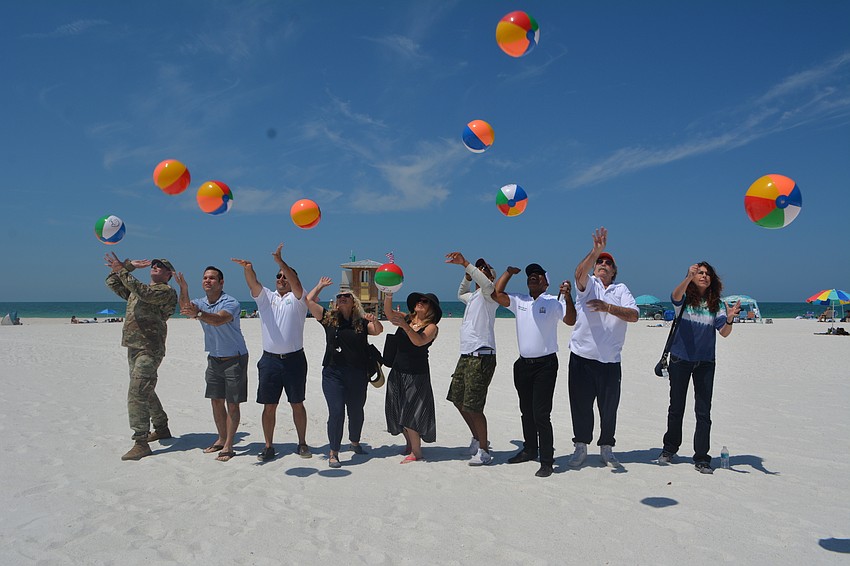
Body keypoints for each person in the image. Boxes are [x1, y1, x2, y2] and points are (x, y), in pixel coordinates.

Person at [658, 262, 741, 474]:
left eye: (707, 274)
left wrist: (730, 318)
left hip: (705, 362)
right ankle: (669, 449)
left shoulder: (717, 304)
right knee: (676, 407)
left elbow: (723, 332)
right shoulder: (684, 299)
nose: (703, 276)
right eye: (700, 273)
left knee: (703, 411)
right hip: (680, 360)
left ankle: (702, 457)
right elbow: (674, 295)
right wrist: (687, 277)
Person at [493, 263, 575, 478]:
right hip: (523, 365)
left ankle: (547, 460)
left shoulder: (553, 302)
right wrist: (509, 273)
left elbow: (570, 320)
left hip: (545, 365)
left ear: (546, 282)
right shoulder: (520, 300)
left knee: (541, 414)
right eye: (530, 275)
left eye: (538, 276)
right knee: (526, 411)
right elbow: (496, 294)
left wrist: (567, 297)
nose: (533, 278)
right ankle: (530, 449)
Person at [232, 244, 311, 462]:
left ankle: (302, 443)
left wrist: (281, 263)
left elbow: (296, 284)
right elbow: (254, 283)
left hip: (295, 359)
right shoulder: (267, 297)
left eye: (285, 276)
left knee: (297, 403)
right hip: (269, 361)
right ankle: (268, 446)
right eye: (278, 276)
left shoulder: (299, 299)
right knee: (269, 406)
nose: (281, 279)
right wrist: (248, 268)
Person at [567, 227, 639, 470]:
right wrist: (595, 250)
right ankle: (580, 446)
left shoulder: (621, 290)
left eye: (608, 263)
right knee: (580, 405)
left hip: (610, 361)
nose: (603, 264)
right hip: (582, 357)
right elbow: (578, 274)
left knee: (609, 409)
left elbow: (634, 315)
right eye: (600, 262)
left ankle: (607, 448)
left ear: (614, 271)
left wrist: (609, 307)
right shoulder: (589, 285)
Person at [104, 253, 178, 461]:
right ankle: (162, 427)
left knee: (137, 392)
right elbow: (112, 283)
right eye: (154, 264)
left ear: (169, 274)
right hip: (134, 346)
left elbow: (142, 291)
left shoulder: (166, 291)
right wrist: (127, 266)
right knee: (146, 389)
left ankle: (141, 442)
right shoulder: (137, 290)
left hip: (150, 349)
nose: (155, 266)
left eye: (161, 265)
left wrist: (123, 270)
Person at [306, 277, 383, 468]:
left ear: (353, 301)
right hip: (333, 374)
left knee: (356, 411)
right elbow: (309, 301)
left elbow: (378, 331)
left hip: (357, 374)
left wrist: (375, 320)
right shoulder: (329, 319)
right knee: (337, 412)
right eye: (340, 296)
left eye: (346, 296)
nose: (342, 298)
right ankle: (333, 452)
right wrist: (320, 286)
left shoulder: (361, 322)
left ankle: (355, 442)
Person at [175, 266, 249, 462]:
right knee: (216, 400)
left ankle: (229, 446)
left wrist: (198, 314)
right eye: (205, 278)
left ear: (221, 282)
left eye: (212, 278)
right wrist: (184, 288)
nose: (208, 281)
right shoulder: (201, 302)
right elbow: (185, 308)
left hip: (235, 358)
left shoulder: (231, 302)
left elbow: (218, 320)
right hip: (214, 357)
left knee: (233, 404)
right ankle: (221, 438)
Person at [444, 252, 499, 466]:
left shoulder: (490, 294)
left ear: (490, 277)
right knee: (458, 400)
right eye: (479, 269)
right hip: (466, 355)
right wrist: (466, 276)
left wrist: (466, 264)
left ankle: (484, 451)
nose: (481, 271)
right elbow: (460, 293)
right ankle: (477, 439)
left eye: (484, 269)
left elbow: (484, 282)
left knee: (474, 406)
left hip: (482, 356)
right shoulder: (474, 296)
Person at [383, 291, 441, 463]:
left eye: (425, 301)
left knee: (411, 414)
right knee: (397, 410)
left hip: (416, 375)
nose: (420, 302)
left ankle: (417, 452)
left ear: (432, 308)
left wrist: (405, 327)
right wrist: (388, 296)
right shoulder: (407, 318)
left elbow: (419, 341)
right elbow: (388, 313)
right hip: (398, 372)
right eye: (419, 300)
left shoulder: (432, 327)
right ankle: (409, 444)